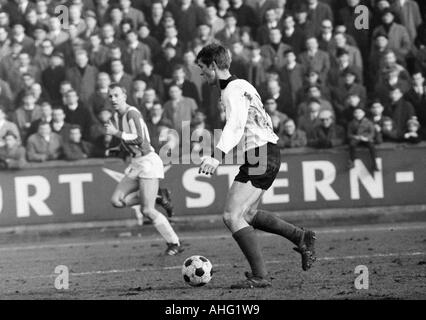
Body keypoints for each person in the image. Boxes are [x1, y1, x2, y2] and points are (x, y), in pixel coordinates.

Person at [196, 44, 316, 289]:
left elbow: (236, 126)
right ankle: (300, 236)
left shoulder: (231, 90)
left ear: (214, 66)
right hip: (266, 152)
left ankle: (260, 275)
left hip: (261, 155)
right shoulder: (244, 86)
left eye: (202, 68)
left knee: (231, 215)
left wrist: (216, 156)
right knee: (247, 214)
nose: (201, 74)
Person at [104, 83, 182, 256]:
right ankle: (159, 196)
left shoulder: (132, 113)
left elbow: (140, 139)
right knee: (116, 201)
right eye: (110, 96)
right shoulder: (117, 116)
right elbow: (129, 140)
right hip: (136, 163)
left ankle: (174, 242)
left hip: (148, 162)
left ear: (125, 95)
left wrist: (116, 134)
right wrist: (119, 147)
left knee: (147, 210)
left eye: (116, 95)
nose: (113, 99)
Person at [347, 106, 379, 172]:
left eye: (360, 112)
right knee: (352, 145)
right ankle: (352, 161)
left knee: (371, 146)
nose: (358, 114)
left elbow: (372, 133)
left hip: (366, 138)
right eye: (356, 112)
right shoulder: (351, 123)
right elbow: (349, 134)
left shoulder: (369, 122)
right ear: (354, 114)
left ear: (363, 113)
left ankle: (374, 164)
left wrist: (367, 138)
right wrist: (354, 137)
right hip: (357, 138)